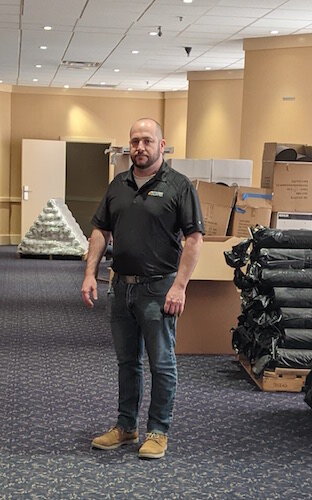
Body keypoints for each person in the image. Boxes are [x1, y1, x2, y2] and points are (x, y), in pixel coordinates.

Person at [81, 117, 204, 459]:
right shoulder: (118, 185)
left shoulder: (179, 186)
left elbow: (194, 240)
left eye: (147, 141)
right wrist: (90, 274)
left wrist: (180, 286)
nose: (140, 147)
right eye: (135, 141)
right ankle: (126, 426)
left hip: (159, 290)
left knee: (161, 364)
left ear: (161, 145)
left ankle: (158, 431)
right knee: (127, 362)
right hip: (120, 288)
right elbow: (99, 232)